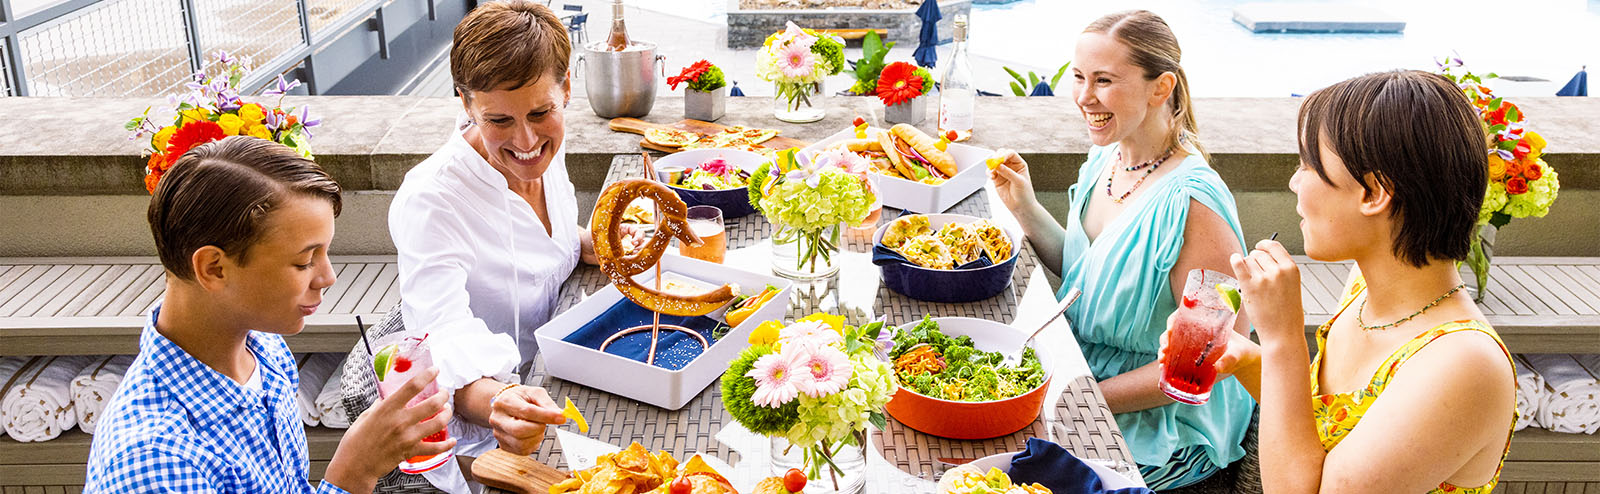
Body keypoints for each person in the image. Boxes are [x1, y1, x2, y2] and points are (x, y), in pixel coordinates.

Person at [1178, 70, 1516, 493]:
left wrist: (1282, 338)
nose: (1294, 182)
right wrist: (1246, 358)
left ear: (1374, 193)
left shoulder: (1464, 364)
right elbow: (1323, 425)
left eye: (1307, 165)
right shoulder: (1364, 287)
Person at [85, 136, 452, 493]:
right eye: (305, 261)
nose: (327, 277)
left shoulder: (265, 351)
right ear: (214, 268)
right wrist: (353, 474)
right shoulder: (156, 462)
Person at [987, 10, 1254, 489]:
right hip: (1075, 380)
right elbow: (1085, 276)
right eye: (1078, 78)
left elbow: (1198, 367)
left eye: (1104, 80)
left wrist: (1076, 398)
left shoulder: (1197, 205)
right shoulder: (1105, 161)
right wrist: (1024, 208)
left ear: (1161, 87)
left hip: (1160, 429)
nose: (1084, 97)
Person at [387, 2, 635, 491]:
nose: (525, 141)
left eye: (541, 112)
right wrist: (499, 403)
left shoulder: (545, 154)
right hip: (498, 438)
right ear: (466, 103)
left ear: (566, 89)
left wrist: (598, 244)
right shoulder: (430, 200)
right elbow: (442, 340)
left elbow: (548, 248)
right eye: (498, 120)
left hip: (569, 367)